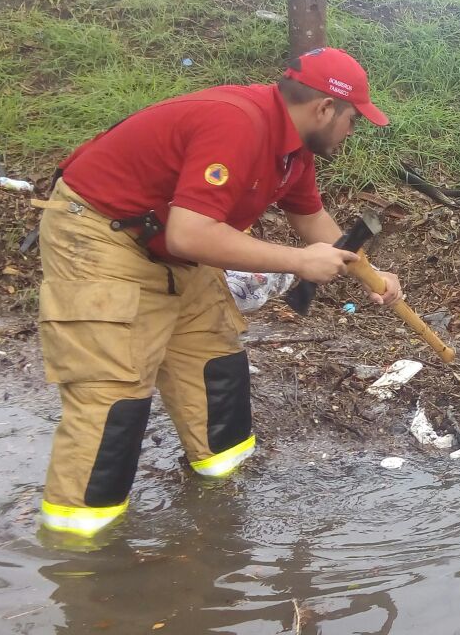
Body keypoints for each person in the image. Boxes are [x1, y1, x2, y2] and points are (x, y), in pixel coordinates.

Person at [31, 47, 403, 538]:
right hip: (103, 234)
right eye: (353, 119)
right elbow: (191, 233)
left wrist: (371, 275)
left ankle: (222, 504)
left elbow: (312, 219)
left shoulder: (293, 151)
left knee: (213, 363)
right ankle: (79, 547)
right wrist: (298, 261)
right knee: (113, 393)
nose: (352, 131)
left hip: (172, 246)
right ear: (324, 108)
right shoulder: (237, 124)